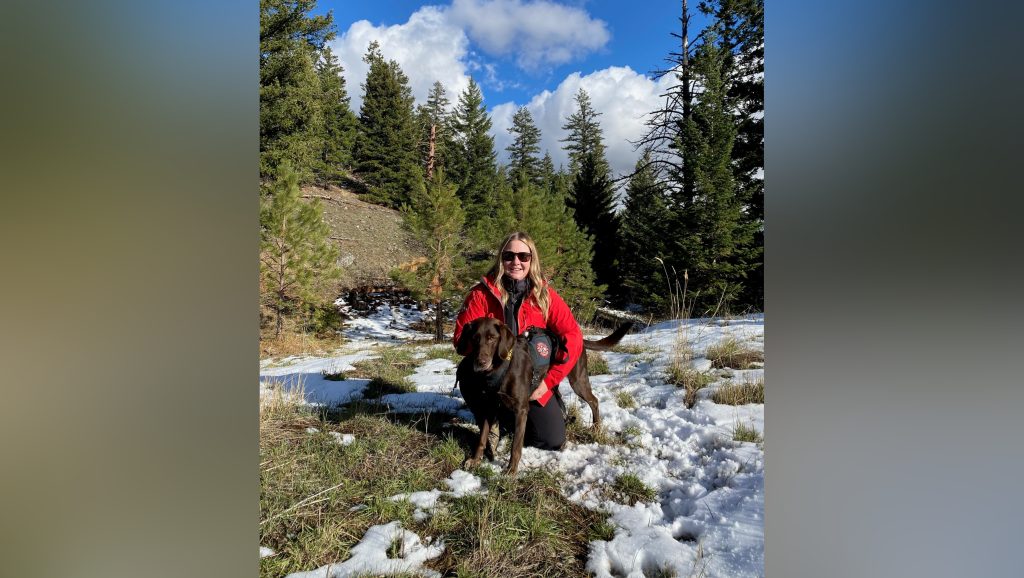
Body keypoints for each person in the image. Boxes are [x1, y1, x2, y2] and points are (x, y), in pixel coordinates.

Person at [452, 231, 583, 451]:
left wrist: (548, 382)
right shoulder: (480, 295)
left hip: (528, 380)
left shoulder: (545, 295)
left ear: (532, 260)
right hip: (489, 377)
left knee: (551, 439)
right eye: (509, 255)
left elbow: (573, 336)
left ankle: (511, 418)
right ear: (500, 259)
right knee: (466, 371)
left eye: (523, 256)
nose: (516, 262)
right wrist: (480, 350)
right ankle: (490, 419)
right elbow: (460, 339)